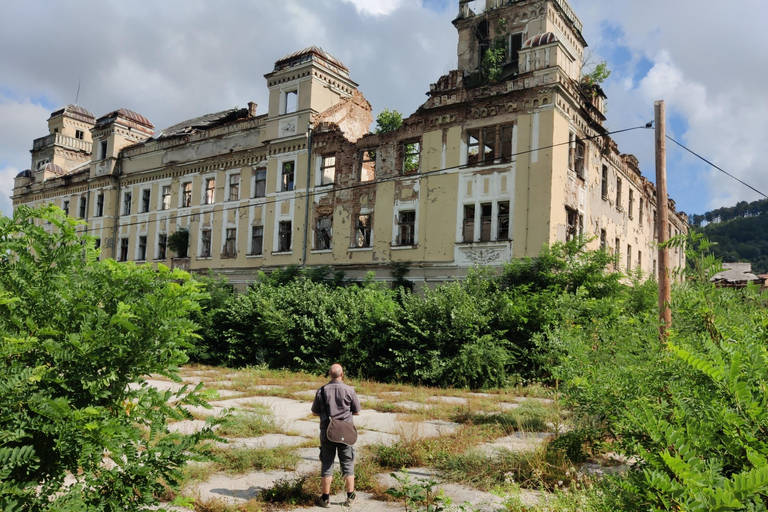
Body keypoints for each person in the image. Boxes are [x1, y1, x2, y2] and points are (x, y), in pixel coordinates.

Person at [311, 363, 362, 508]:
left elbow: (314, 412)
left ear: (329, 375)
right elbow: (357, 411)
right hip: (345, 432)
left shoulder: (321, 391)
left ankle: (325, 498)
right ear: (342, 374)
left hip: (327, 432)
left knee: (327, 463)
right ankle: (350, 497)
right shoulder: (349, 390)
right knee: (347, 463)